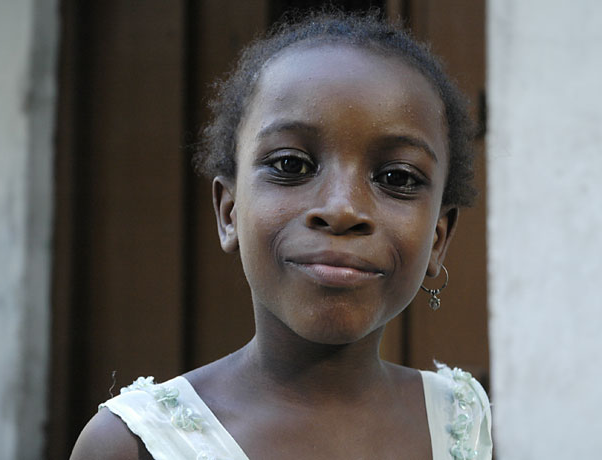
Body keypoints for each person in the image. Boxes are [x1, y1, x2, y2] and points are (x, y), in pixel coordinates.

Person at [71, 9, 492, 460]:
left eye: (398, 177)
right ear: (229, 211)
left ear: (437, 238)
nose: (342, 208)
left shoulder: (459, 419)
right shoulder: (132, 445)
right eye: (291, 165)